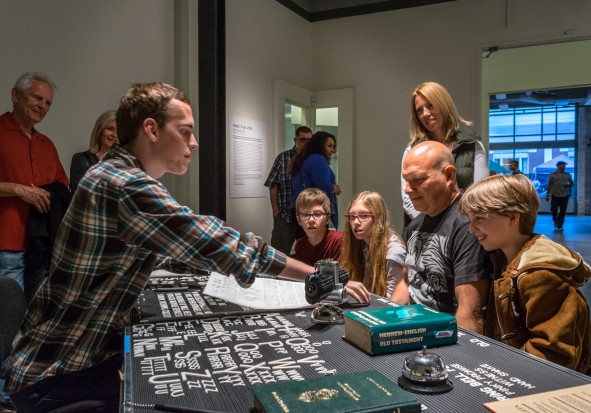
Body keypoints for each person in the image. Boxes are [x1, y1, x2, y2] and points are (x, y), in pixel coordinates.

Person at [3, 82, 371, 412]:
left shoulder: (114, 175)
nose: (194, 143)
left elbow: (180, 243)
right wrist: (319, 277)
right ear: (151, 129)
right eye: (185, 131)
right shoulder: (126, 184)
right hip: (55, 374)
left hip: (64, 358)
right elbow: (215, 241)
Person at [459, 174, 591, 379]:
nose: (472, 229)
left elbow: (553, 356)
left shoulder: (540, 275)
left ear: (513, 216)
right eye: (470, 220)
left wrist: (497, 373)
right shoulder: (501, 261)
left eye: (479, 218)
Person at [401, 141, 491, 334]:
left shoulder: (468, 226)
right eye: (406, 180)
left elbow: (470, 314)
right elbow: (405, 282)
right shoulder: (414, 226)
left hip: (442, 338)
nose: (408, 189)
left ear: (449, 175)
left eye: (418, 179)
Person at [0, 72, 69, 292]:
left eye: (48, 103)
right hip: (6, 246)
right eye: (37, 98)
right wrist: (16, 189)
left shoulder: (46, 144)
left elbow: (62, 187)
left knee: (35, 318)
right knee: (10, 319)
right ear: (15, 95)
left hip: (41, 249)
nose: (43, 106)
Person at [401, 81, 489, 223]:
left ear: (444, 104)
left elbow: (481, 195)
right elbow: (409, 201)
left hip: (466, 229)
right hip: (424, 230)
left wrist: (457, 228)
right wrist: (434, 227)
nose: (426, 113)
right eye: (419, 110)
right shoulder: (412, 151)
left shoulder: (473, 146)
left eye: (431, 105)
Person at [341, 191, 409, 305]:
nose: (356, 222)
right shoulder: (360, 243)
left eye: (364, 216)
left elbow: (395, 303)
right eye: (352, 216)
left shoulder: (393, 251)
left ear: (378, 218)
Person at [264, 126, 312, 253]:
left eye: (309, 140)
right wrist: (276, 212)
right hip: (285, 216)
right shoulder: (283, 158)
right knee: (278, 255)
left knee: (309, 255)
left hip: (308, 217)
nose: (306, 143)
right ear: (295, 140)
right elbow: (272, 184)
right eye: (303, 140)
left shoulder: (314, 160)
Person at [290, 131, 341, 228]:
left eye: (333, 147)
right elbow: (323, 186)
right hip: (314, 211)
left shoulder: (305, 158)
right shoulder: (317, 159)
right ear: (320, 145)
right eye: (329, 146)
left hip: (303, 210)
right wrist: (334, 188)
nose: (332, 150)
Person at [69, 110, 118, 193]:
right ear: (99, 131)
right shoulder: (81, 159)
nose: (115, 135)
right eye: (110, 129)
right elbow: (82, 194)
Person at [293, 188, 342, 265]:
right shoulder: (300, 245)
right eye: (305, 215)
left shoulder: (338, 240)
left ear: (327, 219)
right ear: (299, 220)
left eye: (318, 214)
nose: (311, 220)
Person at [545, 160, 573, 231]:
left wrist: (568, 185)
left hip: (565, 195)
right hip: (555, 195)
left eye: (565, 165)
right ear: (558, 166)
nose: (564, 167)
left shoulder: (567, 174)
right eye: (563, 165)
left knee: (563, 211)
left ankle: (560, 225)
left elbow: (572, 184)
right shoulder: (552, 174)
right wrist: (547, 195)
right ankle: (555, 220)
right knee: (554, 210)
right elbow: (549, 185)